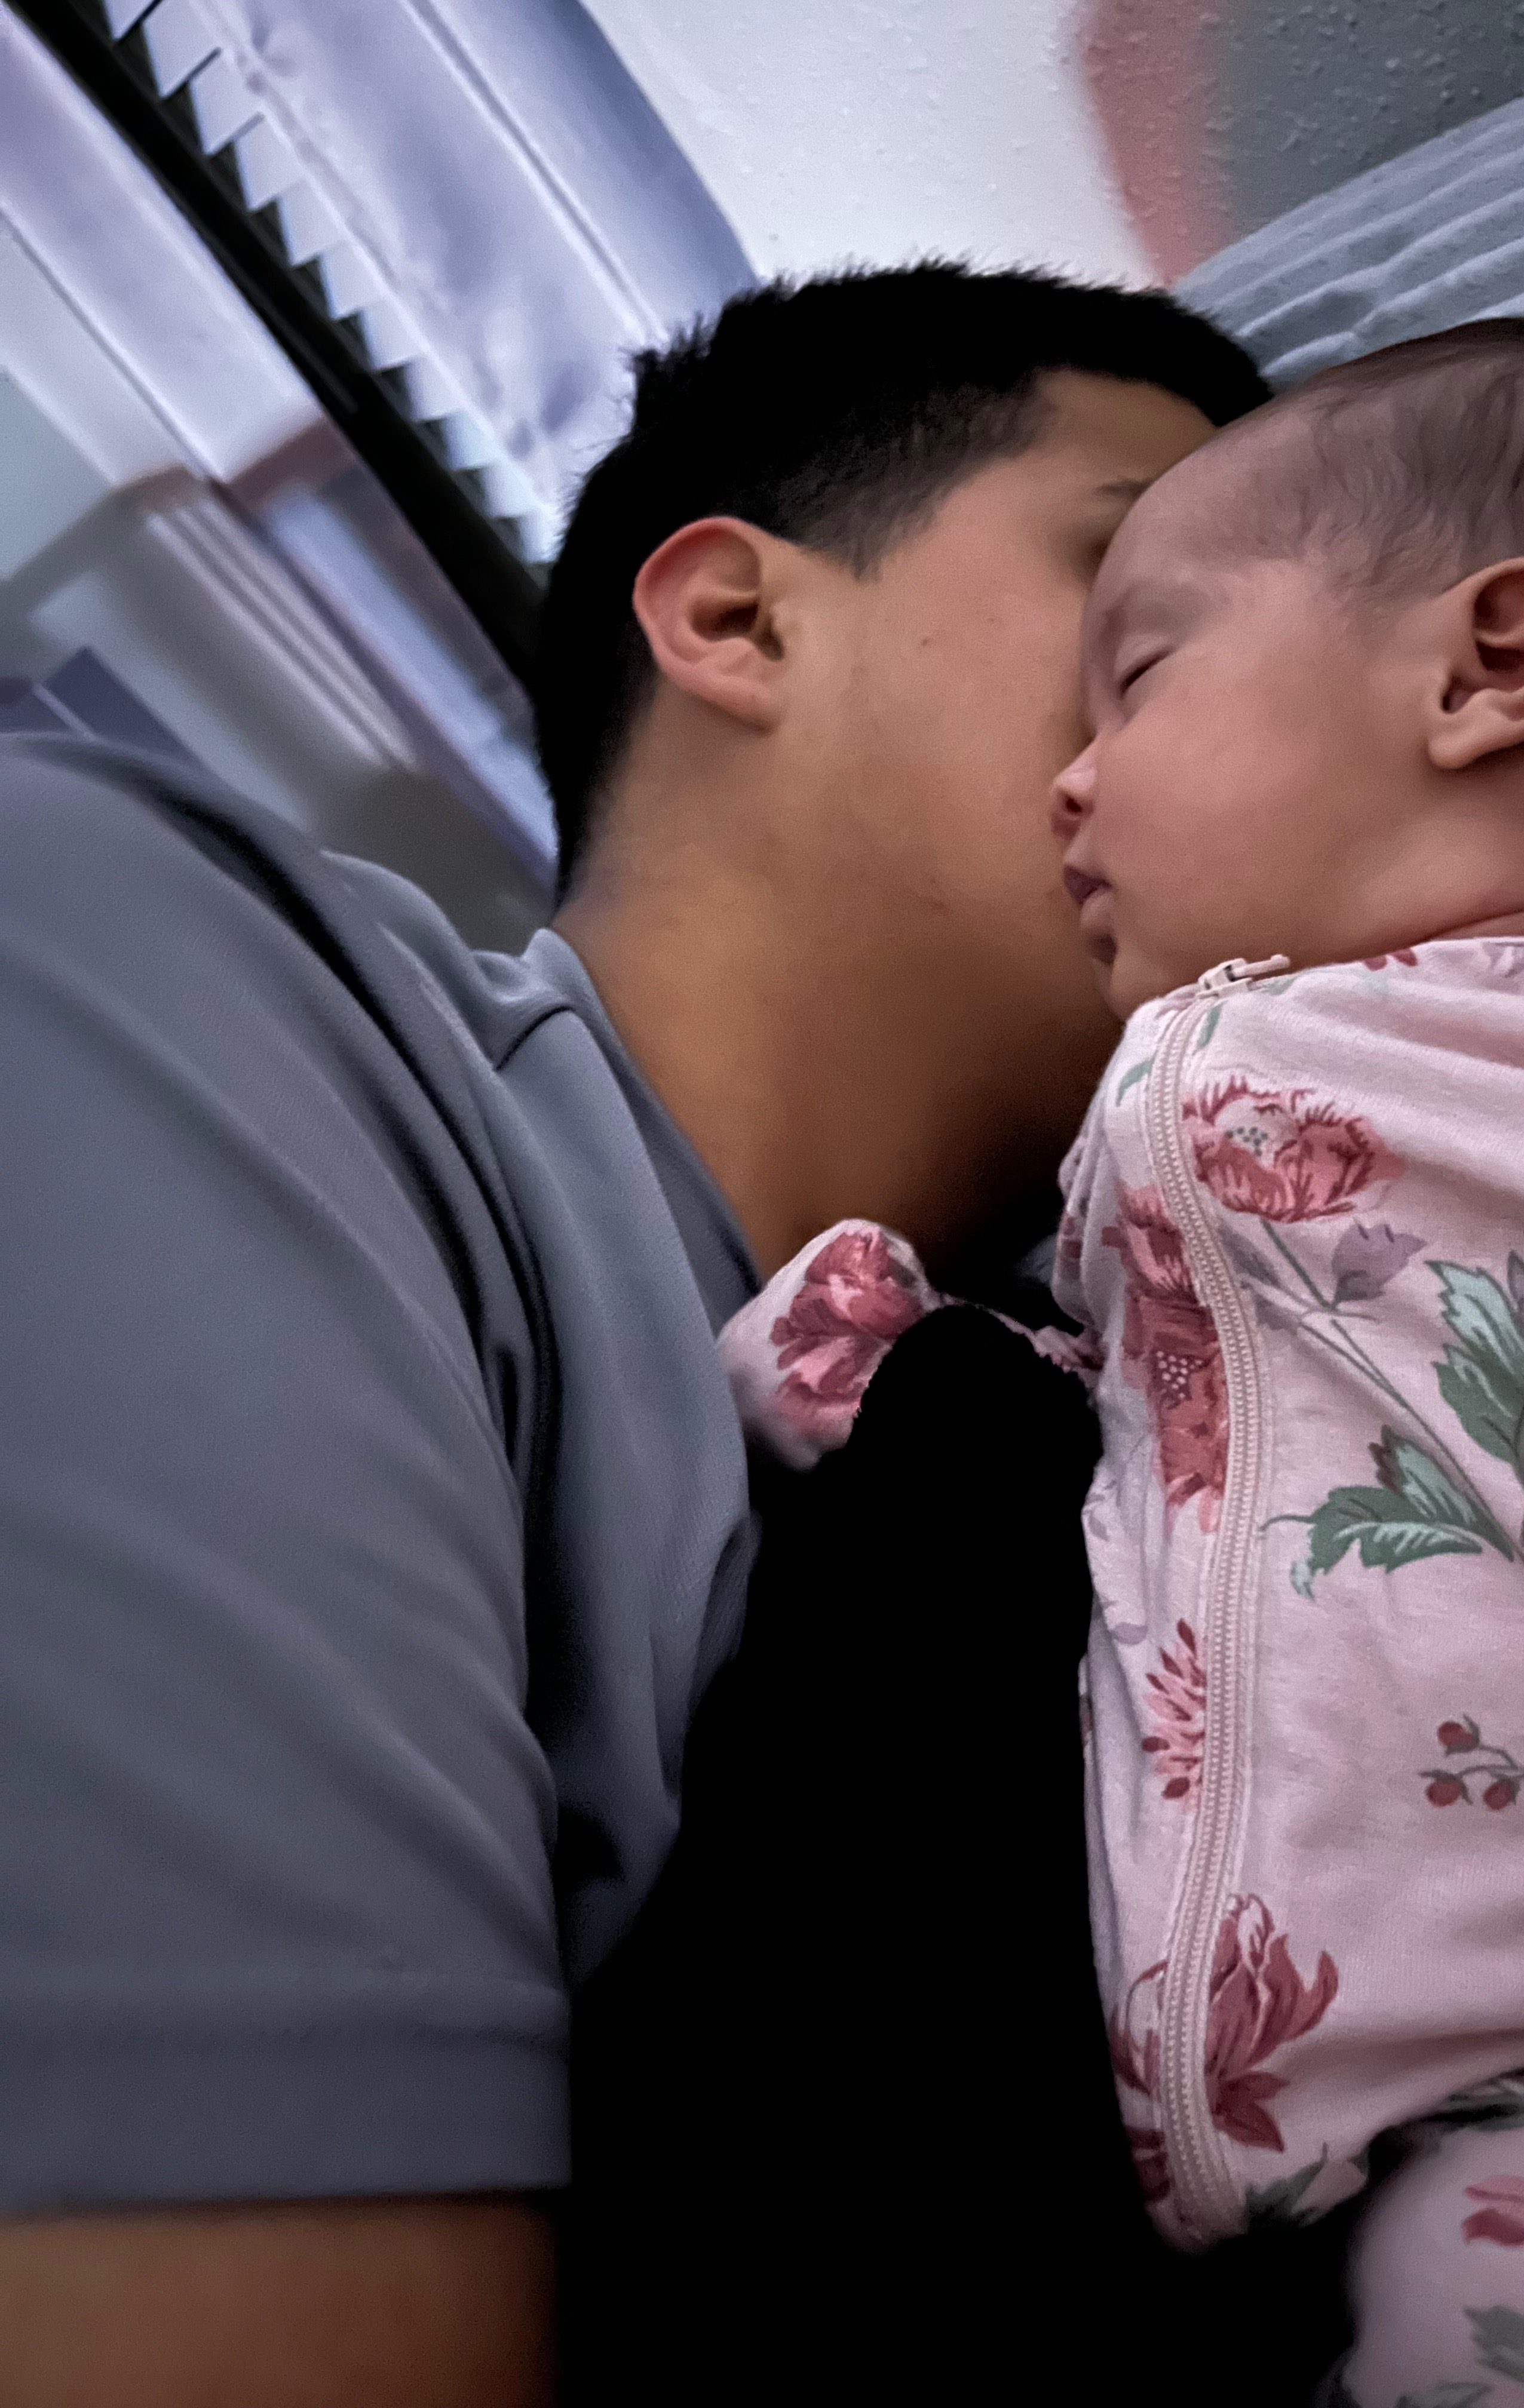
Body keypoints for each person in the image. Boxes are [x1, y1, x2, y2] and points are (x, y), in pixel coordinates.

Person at [0, 262, 1266, 2401]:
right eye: (1149, 588)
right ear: (737, 620)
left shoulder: (1171, 1429)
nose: (1295, 685)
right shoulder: (131, 957)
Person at [720, 320, 1524, 2402]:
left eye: (1137, 680)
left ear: (1492, 668)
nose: (1069, 776)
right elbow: (1173, 1453)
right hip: (1424, 2147)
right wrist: (867, 1349)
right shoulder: (1182, 1105)